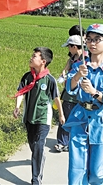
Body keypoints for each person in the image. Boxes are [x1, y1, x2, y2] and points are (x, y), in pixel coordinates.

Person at [63, 24, 103, 185]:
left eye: (97, 40)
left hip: (100, 120)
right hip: (80, 118)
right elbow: (70, 88)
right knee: (76, 169)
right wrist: (77, 76)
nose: (92, 43)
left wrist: (94, 92)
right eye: (89, 39)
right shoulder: (80, 66)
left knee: (96, 171)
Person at [13, 47, 65, 185]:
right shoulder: (27, 77)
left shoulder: (49, 80)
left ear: (43, 61)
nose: (31, 58)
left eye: (34, 56)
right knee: (33, 144)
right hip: (29, 118)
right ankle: (39, 156)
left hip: (43, 119)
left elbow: (56, 98)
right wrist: (17, 107)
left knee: (38, 146)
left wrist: (61, 115)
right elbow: (20, 92)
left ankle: (36, 179)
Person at [56, 35, 84, 152]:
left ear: (74, 46)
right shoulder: (73, 57)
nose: (68, 49)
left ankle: (72, 140)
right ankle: (62, 142)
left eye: (69, 47)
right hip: (69, 92)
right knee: (65, 115)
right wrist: (64, 71)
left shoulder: (85, 59)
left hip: (80, 93)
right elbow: (68, 64)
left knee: (76, 119)